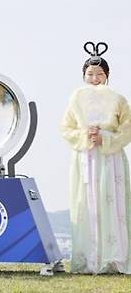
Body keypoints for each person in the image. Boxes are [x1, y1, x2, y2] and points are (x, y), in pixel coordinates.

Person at [60, 41, 131, 274]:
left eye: (99, 74)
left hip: (110, 159)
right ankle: (89, 259)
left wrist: (107, 139)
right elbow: (65, 129)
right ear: (84, 76)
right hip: (86, 157)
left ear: (107, 75)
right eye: (90, 74)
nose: (94, 78)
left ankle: (114, 258)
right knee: (87, 203)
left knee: (113, 203)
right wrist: (84, 135)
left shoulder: (118, 99)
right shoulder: (76, 99)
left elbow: (127, 129)